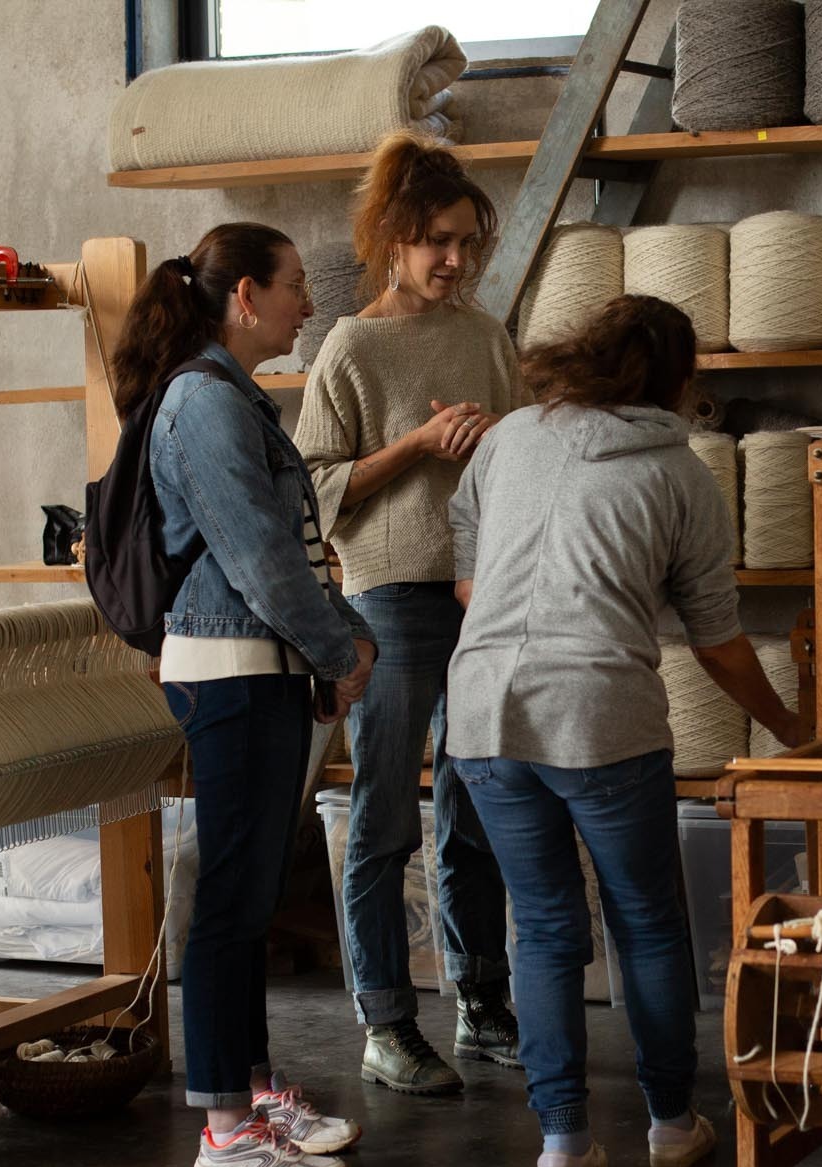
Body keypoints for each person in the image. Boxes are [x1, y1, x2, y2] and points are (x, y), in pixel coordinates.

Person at [445, 295, 804, 1167]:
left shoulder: (510, 437)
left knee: (545, 925)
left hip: (482, 709)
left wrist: (503, 618)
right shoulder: (680, 476)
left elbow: (465, 551)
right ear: (680, 381)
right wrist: (794, 730)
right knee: (645, 919)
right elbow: (719, 641)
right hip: (601, 715)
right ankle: (671, 1124)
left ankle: (561, 1146)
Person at [115, 222, 376, 1167]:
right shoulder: (203, 405)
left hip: (255, 668)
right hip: (228, 671)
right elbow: (259, 558)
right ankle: (224, 1134)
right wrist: (337, 649)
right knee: (228, 902)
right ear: (244, 299)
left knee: (247, 897)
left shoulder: (231, 398)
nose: (309, 305)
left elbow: (284, 548)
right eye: (296, 286)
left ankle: (252, 1092)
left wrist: (336, 636)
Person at [296, 131, 524, 1095]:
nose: (456, 261)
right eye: (436, 240)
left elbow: (521, 458)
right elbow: (308, 487)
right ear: (392, 238)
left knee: (476, 813)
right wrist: (417, 443)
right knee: (386, 820)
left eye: (468, 242)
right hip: (388, 599)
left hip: (483, 592)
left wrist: (483, 447)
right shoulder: (351, 345)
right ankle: (386, 1024)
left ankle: (480, 1006)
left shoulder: (483, 334)